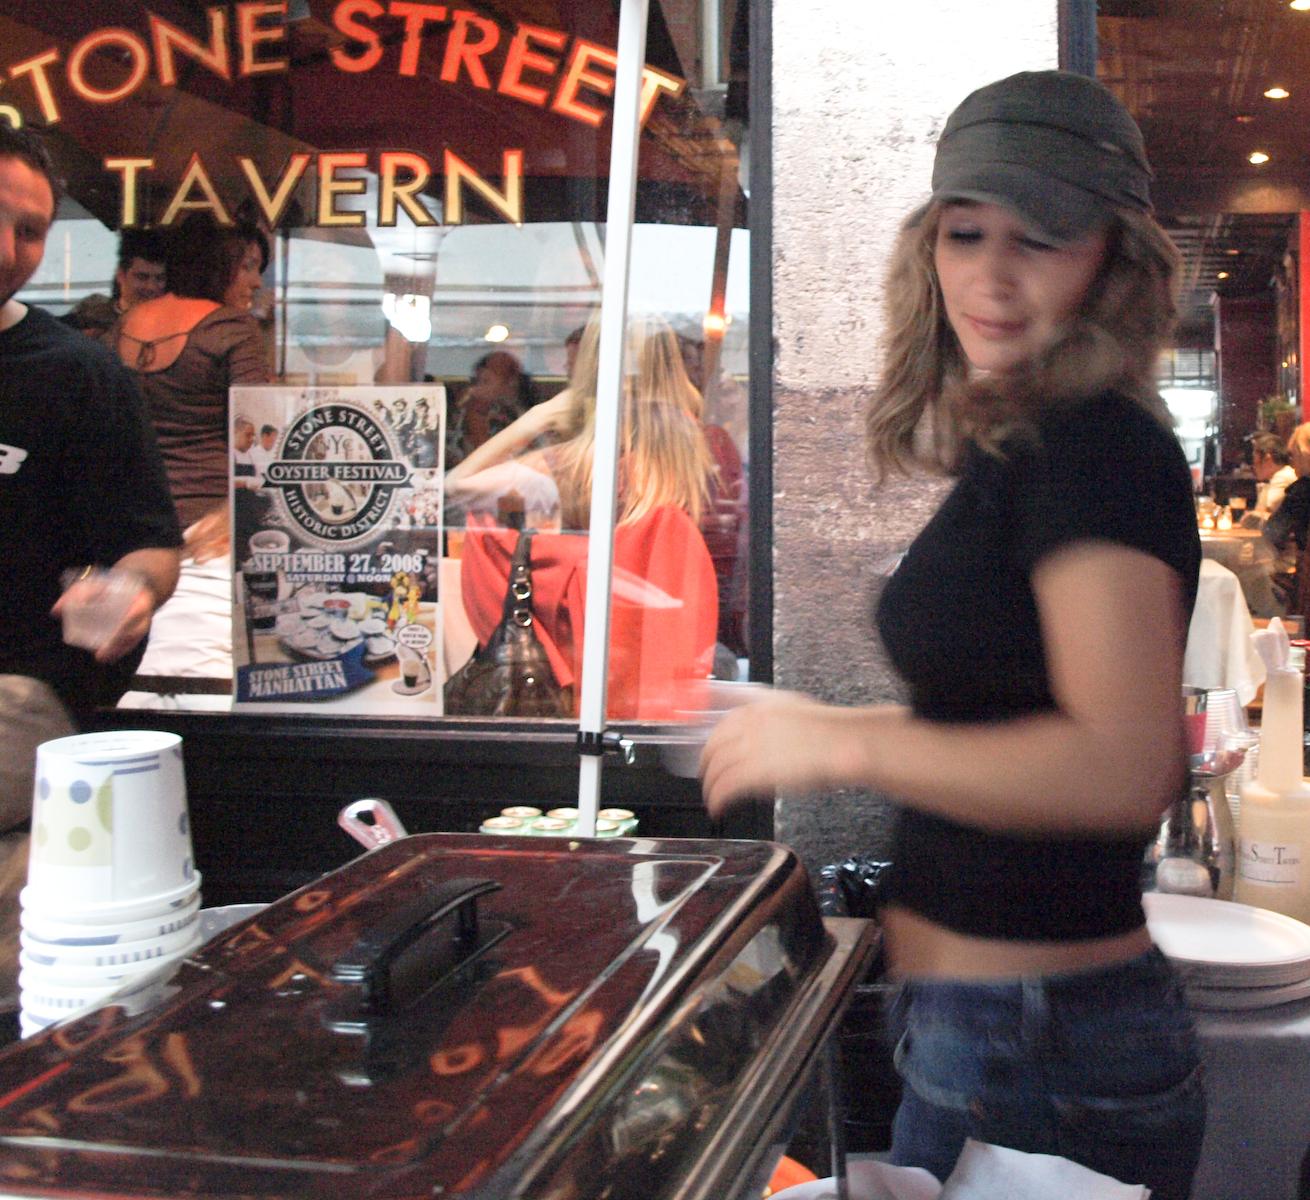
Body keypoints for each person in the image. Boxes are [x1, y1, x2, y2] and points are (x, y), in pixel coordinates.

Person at [700, 71, 1205, 1197]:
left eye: (1041, 239)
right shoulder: (1030, 438)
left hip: (1043, 1055)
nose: (990, 275)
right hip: (994, 1036)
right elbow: (1010, 713)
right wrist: (825, 724)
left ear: (1115, 261)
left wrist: (840, 744)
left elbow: (1124, 768)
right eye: (964, 232)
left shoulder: (1097, 447)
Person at [0, 124, 182, 1008]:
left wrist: (131, 590)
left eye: (31, 231)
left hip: (19, 692)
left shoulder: (76, 376)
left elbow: (149, 544)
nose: (11, 250)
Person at [448, 315, 720, 717]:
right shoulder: (688, 447)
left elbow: (457, 485)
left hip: (580, 654)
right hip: (659, 635)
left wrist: (537, 418)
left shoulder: (574, 463)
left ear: (590, 370)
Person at [109, 213, 271, 698]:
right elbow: (264, 435)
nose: (255, 281)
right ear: (217, 266)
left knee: (136, 679)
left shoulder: (125, 326)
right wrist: (234, 511)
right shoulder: (232, 329)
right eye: (246, 267)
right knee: (204, 686)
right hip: (210, 535)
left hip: (132, 532)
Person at [62, 227, 167, 341]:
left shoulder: (173, 322)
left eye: (160, 278)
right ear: (121, 275)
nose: (151, 287)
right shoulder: (88, 319)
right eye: (142, 277)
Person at [445, 349, 535, 469]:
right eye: (476, 381)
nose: (474, 389)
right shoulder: (465, 413)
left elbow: (490, 459)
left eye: (485, 381)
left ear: (510, 385)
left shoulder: (521, 418)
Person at [1251, 431, 1297, 517]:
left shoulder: (1282, 477)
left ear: (1267, 458)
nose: (1253, 466)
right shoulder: (1285, 473)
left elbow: (1266, 514)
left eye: (1254, 460)